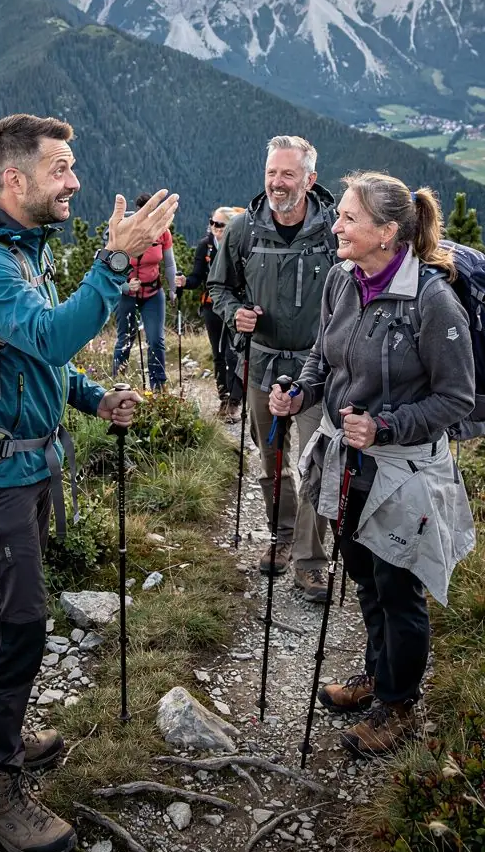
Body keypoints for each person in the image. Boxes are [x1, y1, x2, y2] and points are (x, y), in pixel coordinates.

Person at [0, 114, 178, 852]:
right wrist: (112, 261)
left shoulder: (16, 249)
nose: (74, 181)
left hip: (20, 470)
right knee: (18, 624)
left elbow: (36, 357)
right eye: (61, 168)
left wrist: (95, 399)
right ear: (15, 179)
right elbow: (49, 336)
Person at [269, 172, 476, 758]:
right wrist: (299, 393)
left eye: (349, 219)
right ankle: (376, 675)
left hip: (402, 470)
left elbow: (457, 398)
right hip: (347, 461)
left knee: (399, 585)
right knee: (363, 573)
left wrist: (386, 426)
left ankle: (399, 704)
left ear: (387, 233)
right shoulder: (343, 279)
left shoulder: (432, 301)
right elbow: (322, 358)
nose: (335, 225)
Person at [208, 136, 335, 602]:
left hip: (317, 370)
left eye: (287, 174)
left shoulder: (334, 232)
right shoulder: (243, 230)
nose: (277, 183)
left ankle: (311, 559)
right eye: (271, 173)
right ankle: (282, 537)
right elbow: (220, 287)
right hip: (260, 363)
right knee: (273, 458)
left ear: (309, 179)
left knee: (316, 462)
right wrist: (235, 313)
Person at [176, 206, 243, 419]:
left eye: (220, 225)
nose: (214, 228)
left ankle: (235, 401)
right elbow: (197, 278)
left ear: (230, 226)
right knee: (219, 354)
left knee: (234, 353)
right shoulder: (205, 246)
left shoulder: (239, 245)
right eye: (212, 222)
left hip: (235, 307)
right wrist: (184, 282)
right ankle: (224, 398)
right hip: (211, 305)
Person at [112, 192, 177, 392]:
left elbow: (169, 263)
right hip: (127, 295)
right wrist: (124, 286)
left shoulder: (163, 233)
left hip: (153, 293)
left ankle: (158, 387)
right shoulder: (125, 232)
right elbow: (111, 267)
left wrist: (173, 289)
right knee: (125, 339)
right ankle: (116, 382)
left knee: (156, 339)